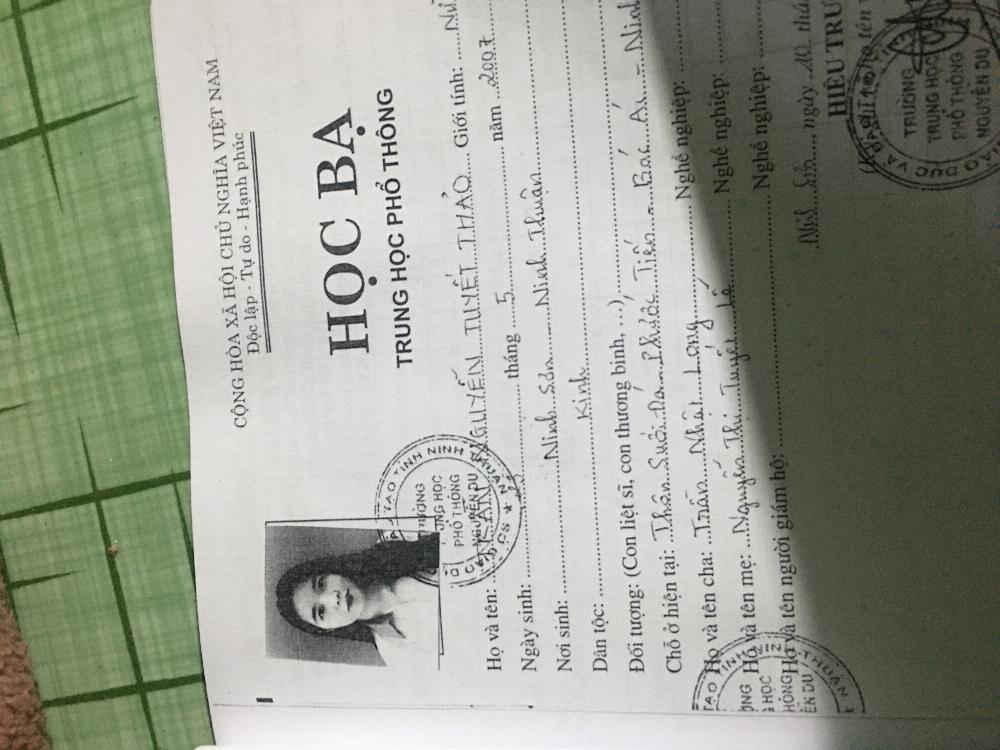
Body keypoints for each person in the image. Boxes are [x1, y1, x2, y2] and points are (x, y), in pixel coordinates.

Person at [275, 533, 440, 667]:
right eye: (321, 612)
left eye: (321, 584)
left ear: (330, 570)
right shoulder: (398, 653)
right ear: (328, 629)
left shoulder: (396, 539)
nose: (333, 597)